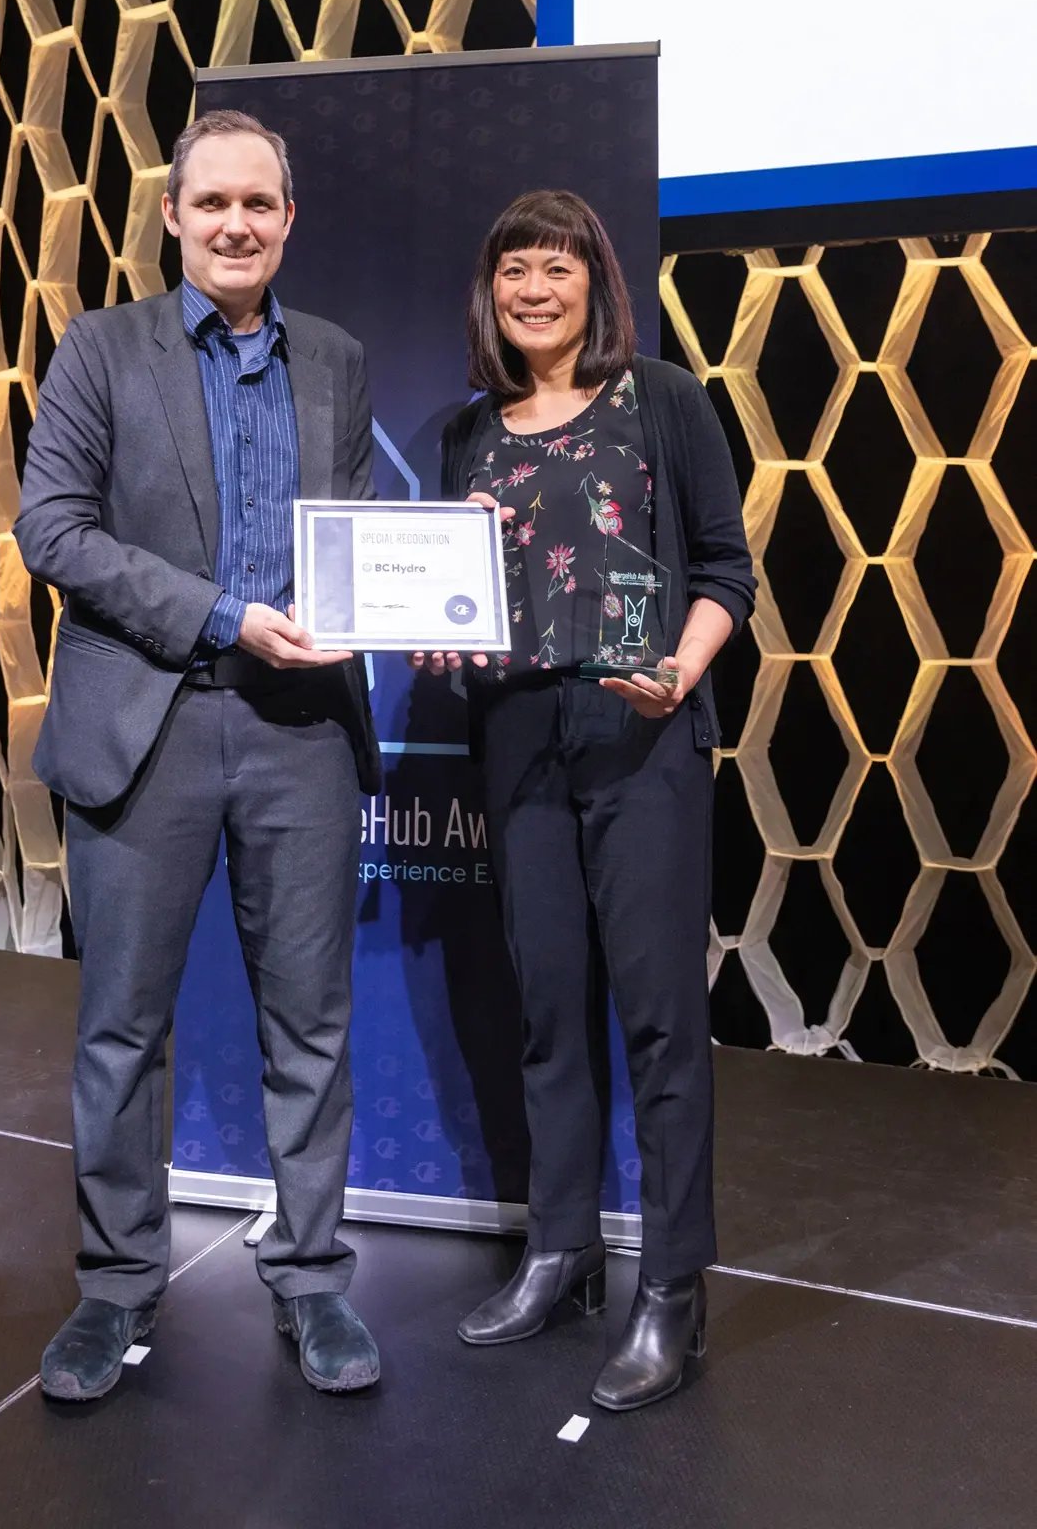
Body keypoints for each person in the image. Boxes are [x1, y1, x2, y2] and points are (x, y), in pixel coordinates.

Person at [15, 108, 382, 1402]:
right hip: (147, 725)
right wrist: (225, 616)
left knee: (312, 1025)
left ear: (289, 220)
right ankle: (115, 1290)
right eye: (211, 203)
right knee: (121, 1029)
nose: (235, 224)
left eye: (259, 205)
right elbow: (49, 530)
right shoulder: (100, 349)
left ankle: (314, 1279)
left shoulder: (334, 358)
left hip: (301, 737)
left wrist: (414, 594)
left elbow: (356, 531)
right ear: (171, 216)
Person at [415, 189, 754, 1412]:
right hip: (518, 740)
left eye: (556, 268)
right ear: (489, 292)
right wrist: (438, 641)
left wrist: (681, 666)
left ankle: (671, 1289)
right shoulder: (467, 431)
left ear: (593, 283)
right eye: (513, 270)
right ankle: (559, 1252)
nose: (534, 290)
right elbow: (463, 590)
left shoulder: (661, 400)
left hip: (640, 732)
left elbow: (725, 567)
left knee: (660, 1019)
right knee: (547, 1008)